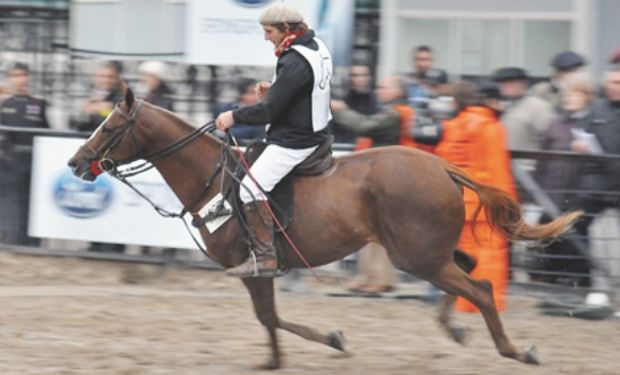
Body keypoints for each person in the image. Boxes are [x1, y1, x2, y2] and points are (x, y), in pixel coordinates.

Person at [215, 3, 333, 278]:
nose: (265, 37)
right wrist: (278, 90)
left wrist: (234, 116)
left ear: (287, 29)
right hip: (316, 131)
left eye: (269, 31)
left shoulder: (294, 60)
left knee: (248, 190)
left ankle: (266, 257)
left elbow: (268, 111)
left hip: (296, 140)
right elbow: (310, 86)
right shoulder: (315, 46)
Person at [434, 82, 517, 312]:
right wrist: (507, 206)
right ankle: (488, 303)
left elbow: (443, 160)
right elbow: (497, 169)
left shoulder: (453, 127)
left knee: (464, 256)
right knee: (490, 255)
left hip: (458, 200)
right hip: (485, 201)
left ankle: (465, 302)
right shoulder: (490, 127)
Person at [330, 75, 404, 293]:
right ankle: (369, 276)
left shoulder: (395, 114)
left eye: (384, 86)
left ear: (397, 91)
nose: (379, 90)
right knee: (371, 228)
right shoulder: (392, 112)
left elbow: (365, 126)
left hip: (387, 179)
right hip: (381, 176)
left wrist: (341, 109)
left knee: (379, 229)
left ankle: (380, 278)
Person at [0, 62, 50, 246]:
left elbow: (47, 131)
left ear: (28, 77)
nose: (19, 79)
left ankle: (32, 241)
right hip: (9, 166)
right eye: (14, 75)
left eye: (22, 75)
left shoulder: (38, 104)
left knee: (32, 204)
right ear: (10, 79)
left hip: (32, 163)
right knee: (10, 204)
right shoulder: (5, 104)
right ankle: (10, 238)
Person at [493, 67, 556, 153]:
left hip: (527, 163)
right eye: (502, 84)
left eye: (511, 83)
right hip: (502, 163)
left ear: (522, 84)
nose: (505, 87)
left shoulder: (538, 106)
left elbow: (551, 137)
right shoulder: (501, 106)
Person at [329, 64, 378, 144]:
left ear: (370, 78)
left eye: (364, 75)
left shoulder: (376, 102)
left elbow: (370, 127)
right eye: (355, 75)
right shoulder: (339, 100)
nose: (359, 79)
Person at [74, 62, 123, 132]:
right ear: (95, 78)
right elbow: (76, 123)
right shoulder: (86, 95)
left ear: (117, 79)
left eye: (110, 77)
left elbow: (113, 124)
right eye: (102, 76)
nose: (105, 80)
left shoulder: (121, 99)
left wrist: (95, 111)